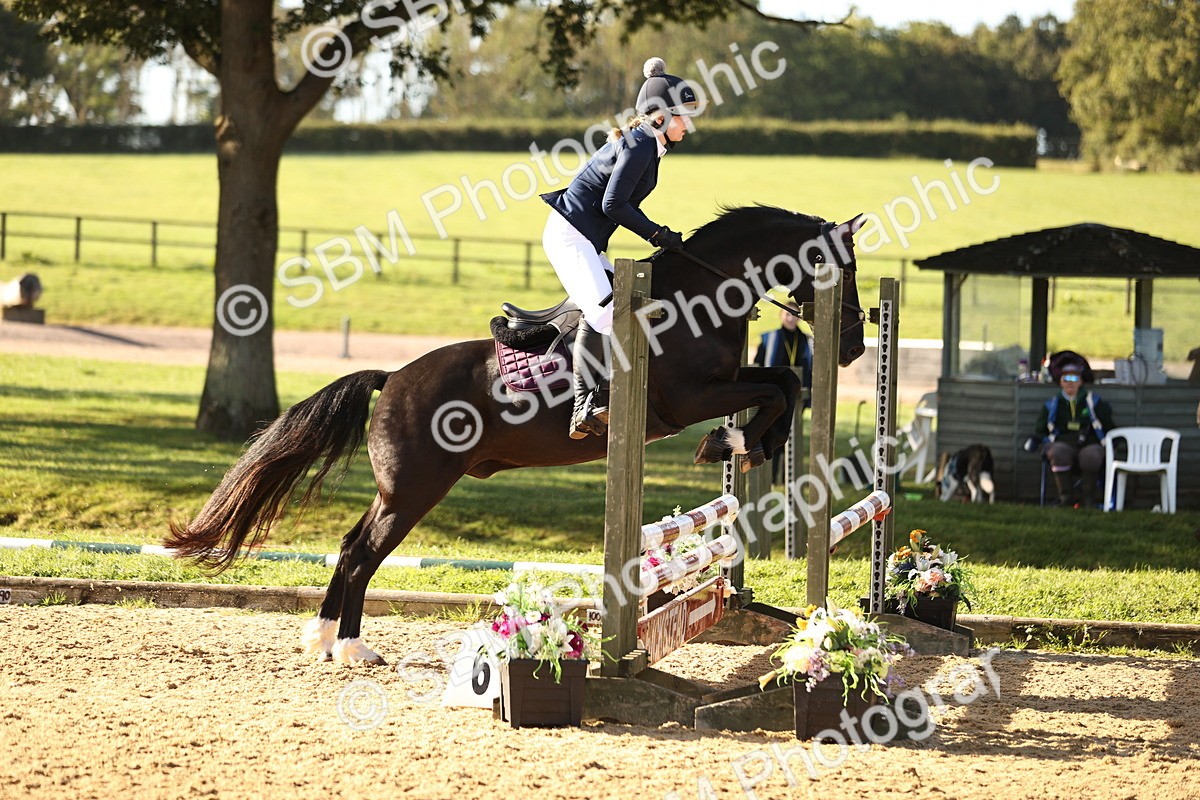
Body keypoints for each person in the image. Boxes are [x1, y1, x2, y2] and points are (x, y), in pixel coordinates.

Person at [540, 57, 699, 439]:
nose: (688, 125)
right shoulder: (642, 145)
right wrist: (658, 235)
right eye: (682, 117)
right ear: (660, 116)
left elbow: (622, 203)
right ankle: (583, 404)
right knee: (606, 313)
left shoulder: (648, 144)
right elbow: (614, 205)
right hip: (569, 236)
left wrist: (659, 234)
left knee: (637, 302)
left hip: (586, 239)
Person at [1025, 361, 1116, 508]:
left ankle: (1088, 501)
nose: (1070, 383)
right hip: (1062, 443)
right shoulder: (1052, 404)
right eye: (1065, 379)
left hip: (1089, 443)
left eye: (1074, 379)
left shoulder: (1094, 401)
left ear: (1080, 381)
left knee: (1091, 455)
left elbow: (1109, 427)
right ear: (1060, 382)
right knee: (1058, 452)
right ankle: (1066, 499)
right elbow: (1040, 430)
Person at [753, 302, 813, 483]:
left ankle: (790, 478)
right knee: (774, 434)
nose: (791, 317)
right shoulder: (769, 338)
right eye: (787, 314)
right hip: (775, 394)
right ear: (781, 315)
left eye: (795, 314)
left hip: (797, 394)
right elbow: (758, 365)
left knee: (792, 436)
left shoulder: (806, 341)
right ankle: (772, 477)